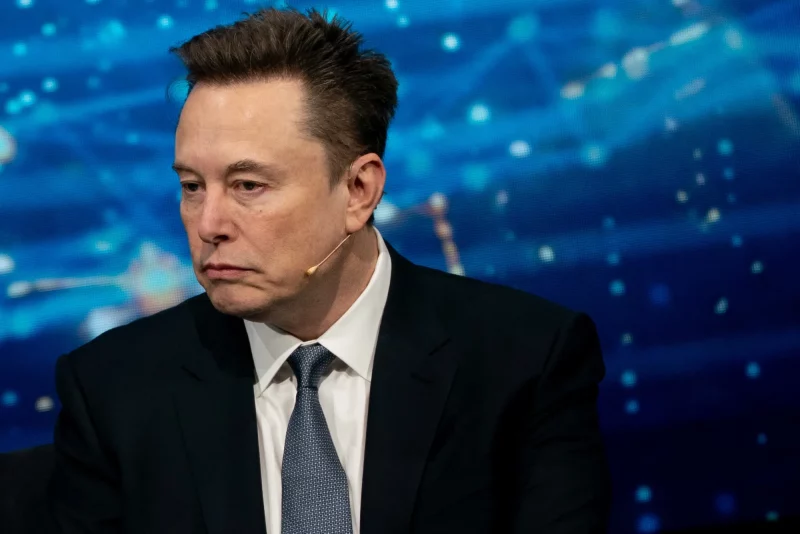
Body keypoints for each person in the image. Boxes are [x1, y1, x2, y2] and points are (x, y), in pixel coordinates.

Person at [48, 7, 611, 534]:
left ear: (358, 190)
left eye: (248, 185)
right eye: (192, 186)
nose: (209, 223)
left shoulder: (526, 360)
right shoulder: (112, 389)